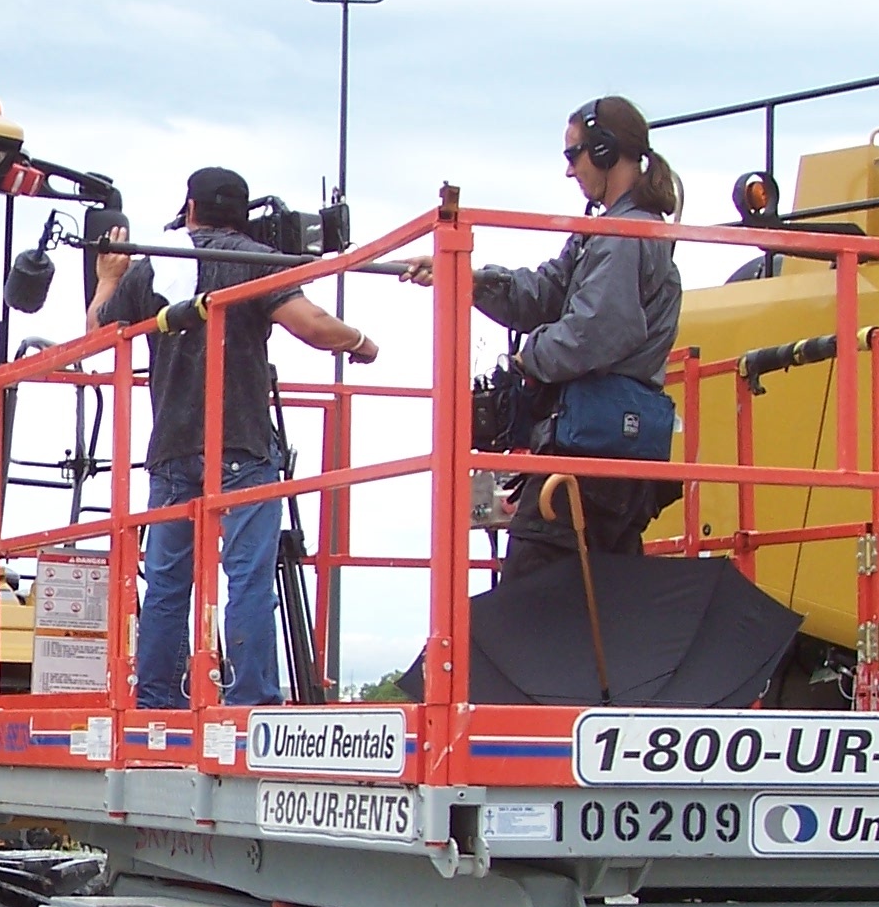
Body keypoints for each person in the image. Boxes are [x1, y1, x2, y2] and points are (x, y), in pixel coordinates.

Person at [91, 167, 377, 708]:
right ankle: (252, 702)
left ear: (190, 207)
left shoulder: (159, 264)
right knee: (248, 577)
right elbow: (312, 325)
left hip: (173, 447)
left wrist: (109, 276)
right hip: (241, 443)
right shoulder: (255, 260)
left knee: (168, 584)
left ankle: (156, 700)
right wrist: (362, 343)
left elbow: (97, 332)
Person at [407, 96, 683, 584]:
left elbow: (593, 332)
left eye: (572, 155)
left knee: (529, 599)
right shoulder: (611, 233)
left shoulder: (621, 236)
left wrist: (525, 358)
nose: (570, 171)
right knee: (604, 604)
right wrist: (467, 279)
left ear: (603, 151)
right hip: (612, 449)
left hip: (591, 456)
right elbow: (547, 291)